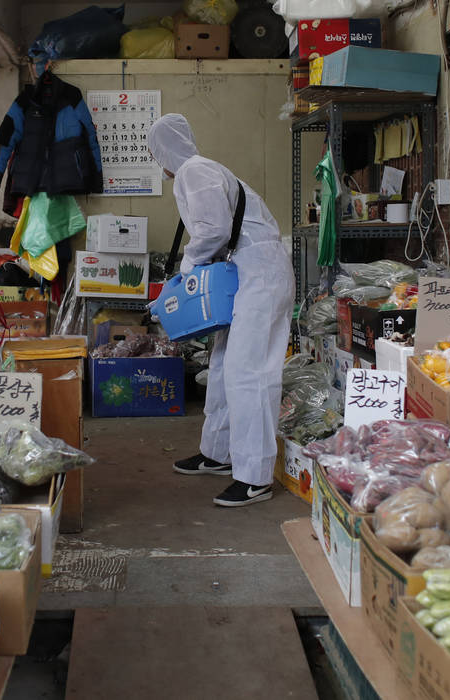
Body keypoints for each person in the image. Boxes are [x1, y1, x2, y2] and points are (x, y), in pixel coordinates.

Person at [147, 113, 294, 507]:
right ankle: (218, 453)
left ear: (162, 149)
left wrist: (187, 269)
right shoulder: (196, 172)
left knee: (250, 373)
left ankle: (255, 477)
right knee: (224, 366)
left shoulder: (195, 171)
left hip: (260, 277)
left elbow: (212, 230)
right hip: (242, 276)